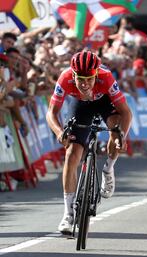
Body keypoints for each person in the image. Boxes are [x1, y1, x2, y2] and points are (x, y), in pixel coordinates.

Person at [46, 51, 132, 234]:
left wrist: (121, 136)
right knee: (71, 154)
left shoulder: (106, 77)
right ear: (73, 74)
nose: (84, 84)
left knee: (115, 133)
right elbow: (51, 112)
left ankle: (109, 168)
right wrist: (60, 133)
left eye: (89, 79)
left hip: (104, 102)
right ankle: (68, 214)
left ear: (96, 75)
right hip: (81, 106)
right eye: (80, 79)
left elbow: (126, 112)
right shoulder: (65, 77)